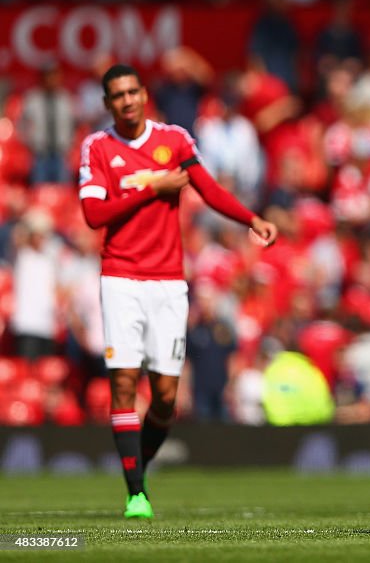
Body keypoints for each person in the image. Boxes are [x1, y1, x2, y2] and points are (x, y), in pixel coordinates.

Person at [78, 64, 278, 519]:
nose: (127, 100)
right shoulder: (98, 147)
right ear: (108, 103)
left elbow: (206, 189)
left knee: (166, 396)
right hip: (121, 277)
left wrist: (251, 218)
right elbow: (94, 214)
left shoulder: (174, 139)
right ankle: (135, 494)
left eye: (132, 91)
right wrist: (156, 188)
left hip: (168, 281)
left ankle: (138, 469)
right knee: (124, 382)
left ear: (144, 94)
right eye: (117, 95)